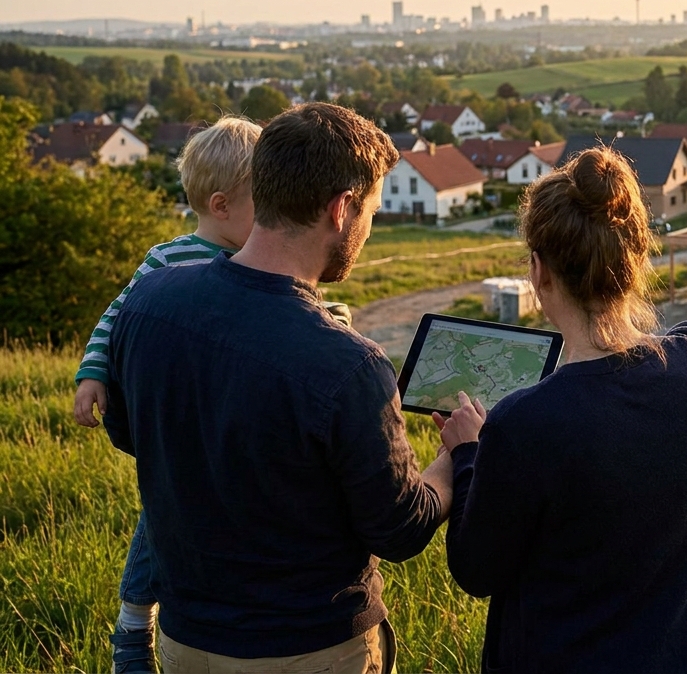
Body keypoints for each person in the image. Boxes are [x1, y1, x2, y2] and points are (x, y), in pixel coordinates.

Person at [102, 103, 454, 673]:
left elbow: (129, 432)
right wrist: (457, 458)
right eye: (371, 210)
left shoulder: (148, 303)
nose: (369, 227)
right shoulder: (349, 363)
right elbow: (400, 527)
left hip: (185, 642)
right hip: (311, 649)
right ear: (341, 210)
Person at [437, 146, 687, 673]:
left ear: (538, 272)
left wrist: (470, 453)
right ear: (636, 260)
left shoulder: (523, 423)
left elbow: (477, 569)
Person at [71, 116, 262, 672]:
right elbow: (115, 317)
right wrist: (92, 373)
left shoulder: (255, 262)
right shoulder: (165, 260)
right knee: (160, 516)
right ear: (221, 205)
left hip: (224, 420)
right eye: (263, 203)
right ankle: (134, 623)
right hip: (170, 418)